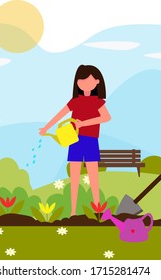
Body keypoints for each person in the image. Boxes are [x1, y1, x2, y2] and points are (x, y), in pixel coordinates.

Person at [39, 65, 111, 216]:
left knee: (93, 176)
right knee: (74, 177)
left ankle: (98, 210)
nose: (83, 83)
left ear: (97, 82)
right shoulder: (75, 101)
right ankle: (73, 211)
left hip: (91, 140)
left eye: (87, 80)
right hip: (74, 140)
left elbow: (106, 117)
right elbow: (60, 115)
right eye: (81, 80)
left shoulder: (98, 101)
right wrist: (47, 127)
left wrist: (82, 123)